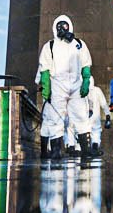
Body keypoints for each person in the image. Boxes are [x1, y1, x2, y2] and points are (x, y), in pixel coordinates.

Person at [38, 15, 94, 160]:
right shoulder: (50, 46)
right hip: (58, 85)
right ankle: (56, 150)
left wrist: (86, 80)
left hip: (76, 84)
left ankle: (86, 149)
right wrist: (46, 88)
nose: (62, 28)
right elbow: (45, 69)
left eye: (65, 25)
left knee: (81, 116)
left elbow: (85, 63)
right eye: (59, 26)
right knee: (56, 118)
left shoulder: (79, 44)